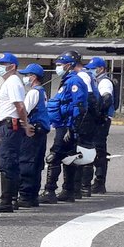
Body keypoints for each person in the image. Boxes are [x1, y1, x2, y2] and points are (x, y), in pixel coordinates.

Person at [40, 52, 90, 204]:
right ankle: (68, 190)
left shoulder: (74, 81)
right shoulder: (68, 80)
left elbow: (79, 106)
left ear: (69, 65)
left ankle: (50, 190)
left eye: (61, 65)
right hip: (63, 124)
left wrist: (72, 128)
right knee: (68, 157)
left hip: (67, 125)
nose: (58, 67)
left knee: (55, 155)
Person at [0, 53, 34, 213]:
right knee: (10, 162)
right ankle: (11, 198)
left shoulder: (13, 82)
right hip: (6, 125)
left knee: (7, 162)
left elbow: (20, 106)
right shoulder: (10, 82)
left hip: (9, 126)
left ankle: (6, 200)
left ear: (12, 66)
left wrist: (25, 124)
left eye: (3, 63)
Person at [81, 57, 116, 195]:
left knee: (99, 150)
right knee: (95, 149)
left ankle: (99, 182)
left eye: (92, 68)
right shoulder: (96, 81)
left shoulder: (104, 82)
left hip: (101, 120)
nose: (90, 71)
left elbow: (106, 99)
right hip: (100, 119)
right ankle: (96, 182)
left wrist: (99, 114)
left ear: (100, 69)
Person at [18, 64, 50, 208]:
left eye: (27, 75)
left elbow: (24, 110)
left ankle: (25, 195)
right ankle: (33, 195)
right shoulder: (42, 91)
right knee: (37, 163)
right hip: (41, 131)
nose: (25, 78)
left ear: (34, 77)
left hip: (33, 130)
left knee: (27, 162)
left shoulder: (33, 92)